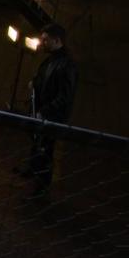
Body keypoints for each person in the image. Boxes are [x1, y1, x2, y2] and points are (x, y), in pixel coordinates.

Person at [22, 23, 78, 198]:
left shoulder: (67, 65)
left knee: (45, 150)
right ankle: (32, 169)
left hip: (51, 117)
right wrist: (35, 82)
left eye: (46, 40)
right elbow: (44, 77)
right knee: (37, 144)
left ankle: (42, 188)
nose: (42, 43)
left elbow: (64, 98)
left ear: (57, 40)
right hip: (43, 112)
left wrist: (44, 111)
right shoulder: (54, 58)